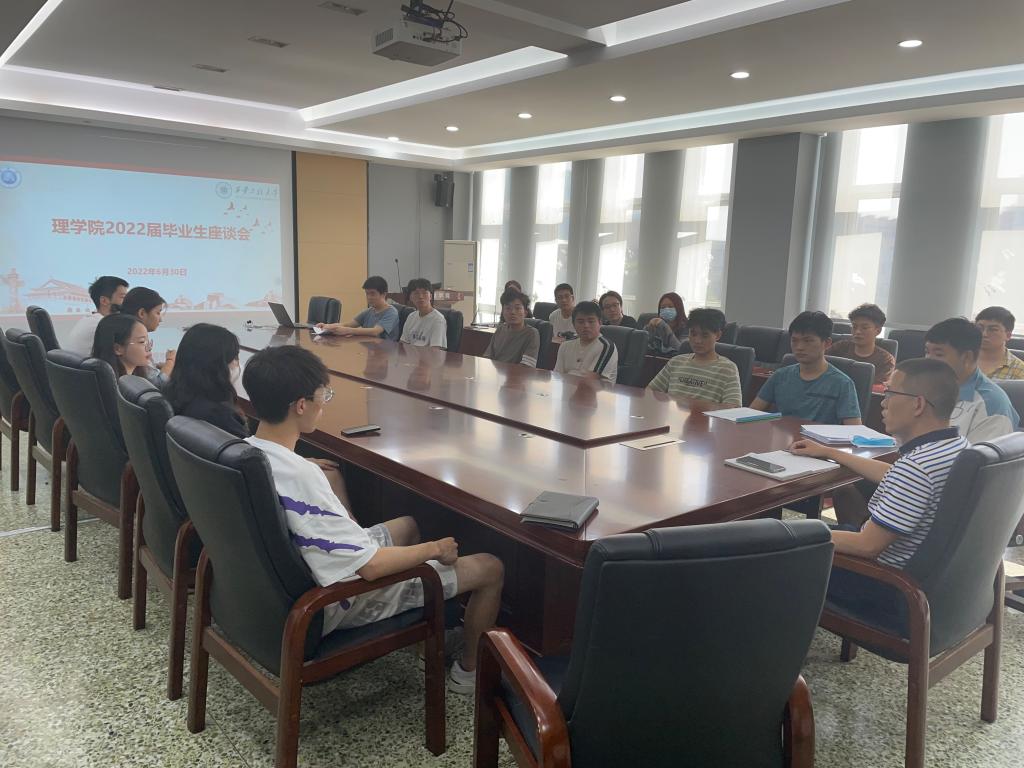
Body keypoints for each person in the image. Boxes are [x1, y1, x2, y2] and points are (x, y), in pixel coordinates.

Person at [241, 345, 504, 694]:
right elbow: (371, 567)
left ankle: (423, 644)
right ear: (301, 405)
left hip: (285, 585)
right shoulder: (302, 476)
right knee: (490, 567)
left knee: (408, 524)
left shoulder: (247, 453)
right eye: (324, 395)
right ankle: (468, 672)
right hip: (337, 599)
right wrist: (436, 548)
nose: (324, 403)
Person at [790, 359, 967, 585]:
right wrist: (829, 452)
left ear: (918, 404)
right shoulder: (956, 447)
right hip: (924, 573)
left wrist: (791, 534)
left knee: (769, 551)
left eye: (889, 394)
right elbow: (895, 474)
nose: (883, 403)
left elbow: (867, 546)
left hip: (878, 580)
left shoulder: (915, 469)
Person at [750, 311, 862, 425]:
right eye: (794, 340)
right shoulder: (780, 376)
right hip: (782, 434)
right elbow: (750, 415)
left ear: (827, 343)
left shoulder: (842, 384)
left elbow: (854, 430)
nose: (799, 347)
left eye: (808, 341)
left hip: (818, 437)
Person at [924, 317, 1019, 441]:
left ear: (966, 357)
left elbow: (980, 453)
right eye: (927, 352)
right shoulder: (924, 388)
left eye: (938, 354)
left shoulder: (992, 406)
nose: (928, 360)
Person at [165, 323, 248, 438]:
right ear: (217, 367)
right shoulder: (220, 416)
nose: (236, 364)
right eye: (234, 358)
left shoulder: (170, 392)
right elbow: (246, 449)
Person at [647, 308, 741, 405]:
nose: (697, 340)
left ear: (717, 335)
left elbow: (733, 408)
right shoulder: (676, 362)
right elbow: (650, 392)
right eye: (693, 334)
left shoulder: (727, 369)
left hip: (705, 415)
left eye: (705, 335)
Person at [828, 303, 894, 385]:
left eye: (864, 328)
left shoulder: (886, 360)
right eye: (854, 327)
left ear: (878, 331)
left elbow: (874, 388)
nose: (858, 331)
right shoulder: (840, 347)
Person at [317, 276, 400, 340]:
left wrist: (348, 330)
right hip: (371, 348)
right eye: (367, 293)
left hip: (385, 352)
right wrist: (327, 326)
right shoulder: (369, 311)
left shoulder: (391, 312)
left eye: (372, 294)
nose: (369, 297)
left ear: (383, 294)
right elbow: (349, 324)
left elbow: (375, 331)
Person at [554, 301, 618, 383]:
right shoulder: (565, 346)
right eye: (580, 322)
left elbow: (589, 382)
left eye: (591, 321)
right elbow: (557, 377)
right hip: (568, 389)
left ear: (600, 323)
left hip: (595, 391)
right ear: (573, 324)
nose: (586, 326)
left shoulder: (606, 347)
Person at [65, 275, 128, 355]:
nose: (127, 302)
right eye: (123, 297)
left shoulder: (90, 319)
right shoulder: (102, 324)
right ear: (104, 301)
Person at [120, 286, 175, 377]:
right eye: (158, 313)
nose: (160, 319)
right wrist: (170, 361)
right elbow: (159, 382)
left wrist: (157, 367)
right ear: (142, 313)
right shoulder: (131, 340)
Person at [483, 289, 540, 367]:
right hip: (495, 373)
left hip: (517, 374)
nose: (512, 312)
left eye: (517, 308)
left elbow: (526, 366)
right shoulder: (500, 329)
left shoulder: (532, 334)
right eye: (508, 308)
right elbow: (487, 357)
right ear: (503, 312)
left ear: (525, 313)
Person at [91, 313, 156, 381]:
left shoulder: (137, 379)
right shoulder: (111, 385)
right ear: (117, 349)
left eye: (148, 341)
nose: (149, 347)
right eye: (142, 341)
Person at [975, 306, 1024, 380]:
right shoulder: (962, 359)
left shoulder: (1020, 371)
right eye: (980, 328)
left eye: (993, 330)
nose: (984, 334)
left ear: (1008, 335)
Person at [399, 278, 447, 349]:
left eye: (424, 293)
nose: (421, 297)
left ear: (430, 296)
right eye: (416, 293)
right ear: (411, 297)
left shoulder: (438, 319)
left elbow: (435, 350)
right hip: (410, 355)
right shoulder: (411, 316)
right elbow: (403, 343)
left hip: (428, 355)